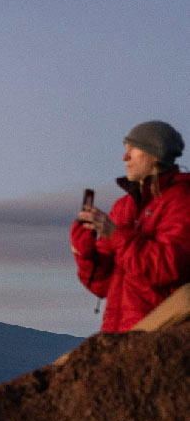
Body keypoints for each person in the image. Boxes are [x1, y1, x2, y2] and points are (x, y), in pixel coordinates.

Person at [72, 120, 190, 332]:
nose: (124, 158)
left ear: (154, 155)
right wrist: (86, 254)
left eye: (132, 150)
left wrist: (115, 235)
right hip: (117, 339)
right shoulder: (123, 207)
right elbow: (103, 285)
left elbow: (165, 268)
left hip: (161, 339)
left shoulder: (182, 201)